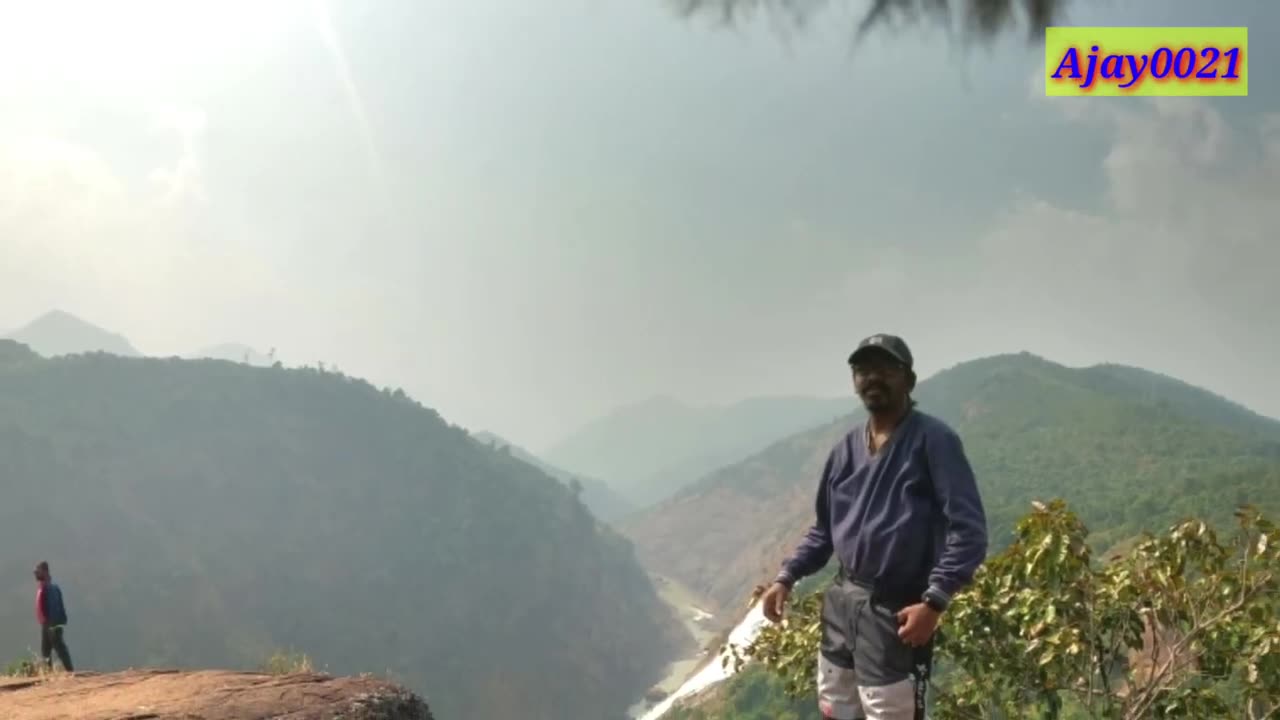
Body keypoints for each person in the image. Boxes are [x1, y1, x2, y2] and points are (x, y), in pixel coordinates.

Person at [760, 333, 987, 720]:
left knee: (890, 710)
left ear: (909, 380)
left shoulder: (933, 441)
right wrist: (786, 576)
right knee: (837, 707)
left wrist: (934, 603)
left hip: (896, 611)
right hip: (842, 605)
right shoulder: (845, 450)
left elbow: (969, 531)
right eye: (862, 369)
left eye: (885, 368)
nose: (872, 377)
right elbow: (824, 530)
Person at [34, 561, 74, 672]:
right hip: (46, 623)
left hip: (52, 624)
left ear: (45, 572)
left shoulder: (50, 589)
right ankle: (49, 673)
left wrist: (53, 625)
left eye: (38, 570)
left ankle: (70, 671)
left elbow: (55, 607)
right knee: (46, 651)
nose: (35, 573)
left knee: (59, 647)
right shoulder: (44, 588)